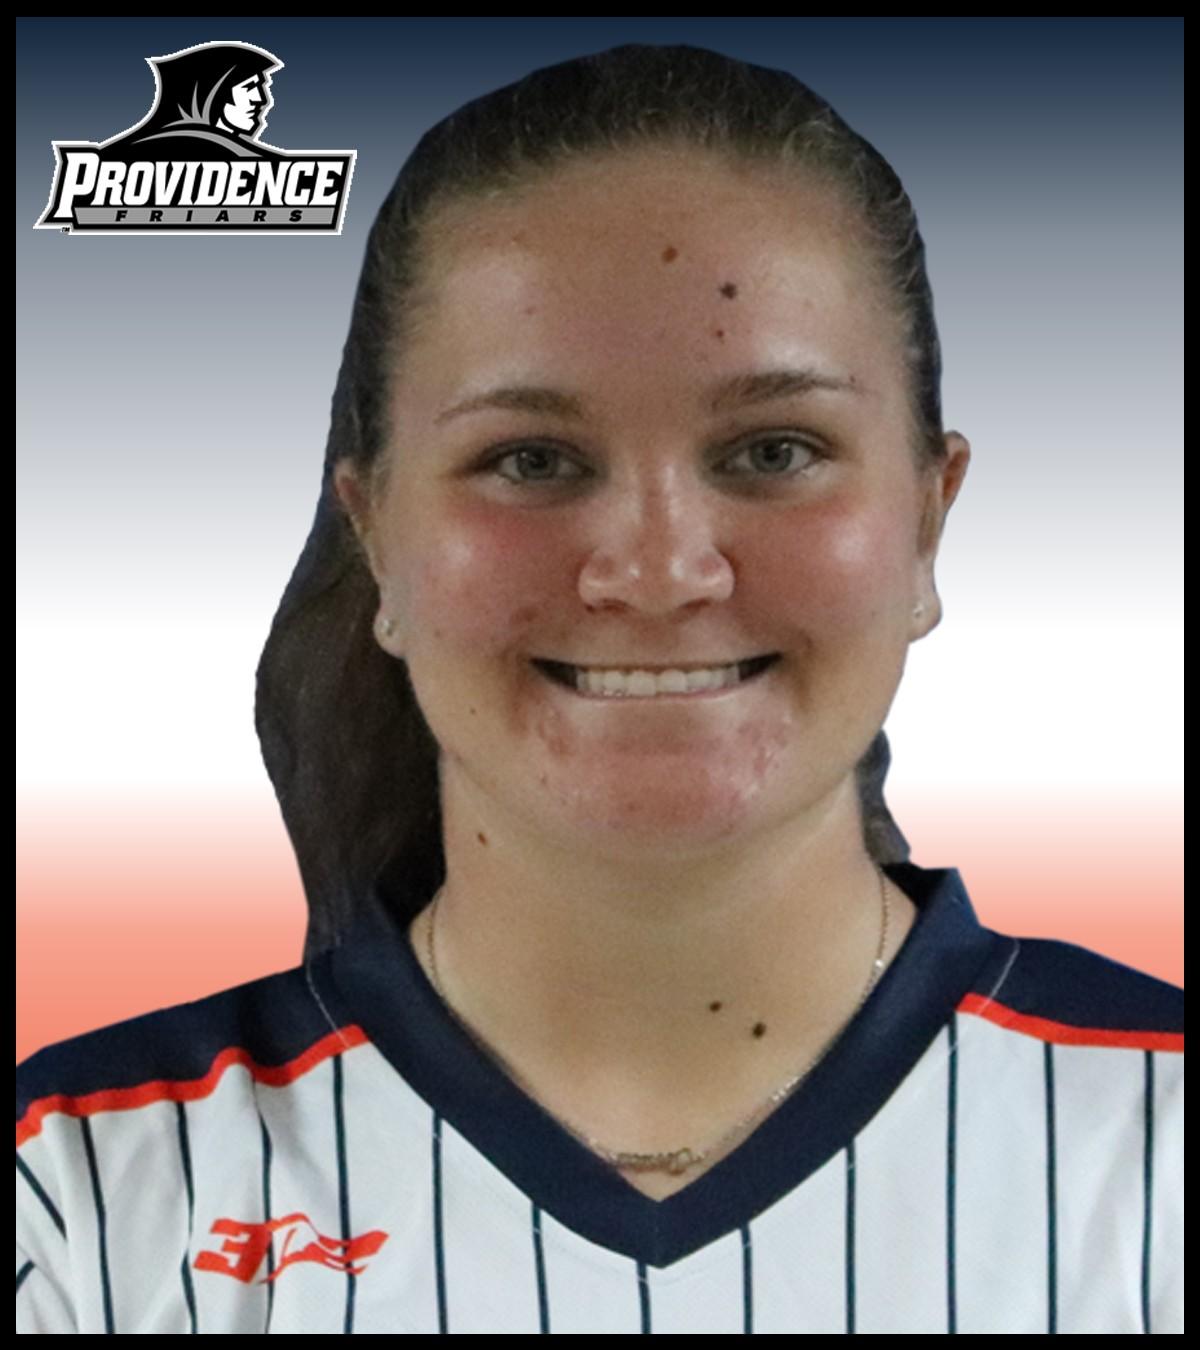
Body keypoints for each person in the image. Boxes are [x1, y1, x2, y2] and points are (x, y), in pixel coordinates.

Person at [16, 44, 1182, 1334]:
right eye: (531, 459)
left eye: (774, 450)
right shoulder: (76, 1197)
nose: (659, 570)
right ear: (377, 537)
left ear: (925, 523)